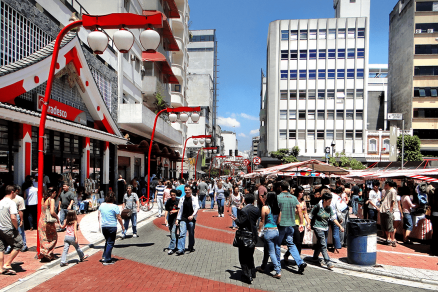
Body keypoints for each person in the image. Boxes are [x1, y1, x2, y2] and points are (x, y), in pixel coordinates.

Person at [276, 180, 307, 273]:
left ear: (280, 187)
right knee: (291, 244)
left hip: (281, 224)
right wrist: (301, 223)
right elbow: (300, 210)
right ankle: (300, 262)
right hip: (291, 224)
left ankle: (277, 266)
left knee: (277, 245)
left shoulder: (278, 197)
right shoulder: (293, 198)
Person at [308, 191, 344, 269]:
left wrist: (340, 226)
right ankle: (328, 261)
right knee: (323, 244)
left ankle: (314, 257)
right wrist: (308, 224)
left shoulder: (329, 208)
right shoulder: (317, 206)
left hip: (325, 228)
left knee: (320, 243)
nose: (330, 202)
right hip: (317, 227)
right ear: (325, 200)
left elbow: (333, 218)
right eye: (329, 201)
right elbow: (310, 216)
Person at [231, 194, 260, 284]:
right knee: (250, 255)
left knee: (243, 257)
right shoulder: (256, 209)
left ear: (245, 201)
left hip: (245, 236)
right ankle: (252, 272)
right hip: (254, 235)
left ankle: (246, 275)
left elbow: (241, 222)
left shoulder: (244, 210)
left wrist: (235, 219)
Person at [256, 193, 281, 278]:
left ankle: (278, 271)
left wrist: (259, 230)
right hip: (276, 230)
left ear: (268, 198)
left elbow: (262, 221)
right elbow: (278, 221)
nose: (264, 197)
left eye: (265, 196)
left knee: (271, 252)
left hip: (268, 231)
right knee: (267, 250)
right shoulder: (278, 209)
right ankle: (263, 267)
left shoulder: (265, 208)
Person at [0, 185, 24, 275]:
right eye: (16, 193)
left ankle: (0, 268)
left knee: (1, 248)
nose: (16, 195)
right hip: (9, 228)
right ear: (12, 192)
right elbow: (13, 217)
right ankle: (7, 263)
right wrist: (16, 227)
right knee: (19, 244)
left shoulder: (1, 202)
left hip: (0, 228)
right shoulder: (11, 203)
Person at [98, 192, 125, 265]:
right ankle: (107, 259)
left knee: (107, 241)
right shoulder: (115, 206)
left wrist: (99, 224)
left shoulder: (102, 205)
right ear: (113, 198)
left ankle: (104, 256)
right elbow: (119, 217)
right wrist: (122, 226)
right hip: (112, 226)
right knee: (110, 242)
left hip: (104, 226)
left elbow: (99, 215)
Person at [175, 185, 199, 255]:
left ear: (191, 190)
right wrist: (177, 219)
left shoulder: (194, 198)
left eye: (188, 190)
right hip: (183, 218)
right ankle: (181, 249)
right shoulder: (182, 199)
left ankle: (191, 247)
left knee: (191, 233)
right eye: (186, 190)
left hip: (191, 218)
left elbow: (197, 208)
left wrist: (192, 215)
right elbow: (179, 209)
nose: (187, 191)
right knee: (182, 233)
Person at [38, 187, 60, 262]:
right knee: (53, 237)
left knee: (43, 237)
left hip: (41, 220)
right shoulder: (51, 200)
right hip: (48, 221)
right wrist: (57, 217)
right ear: (53, 192)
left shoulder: (43, 199)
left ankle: (44, 252)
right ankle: (47, 252)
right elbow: (52, 212)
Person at [379, 180, 397, 246]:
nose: (384, 185)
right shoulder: (386, 191)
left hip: (388, 210)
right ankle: (388, 238)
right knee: (384, 225)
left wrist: (391, 209)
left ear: (388, 184)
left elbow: (393, 201)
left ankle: (392, 239)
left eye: (385, 184)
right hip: (383, 210)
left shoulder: (393, 191)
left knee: (390, 226)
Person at [165, 189, 180, 255]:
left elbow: (180, 210)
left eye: (174, 195)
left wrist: (175, 211)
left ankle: (171, 248)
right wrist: (165, 219)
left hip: (176, 219)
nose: (172, 196)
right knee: (172, 232)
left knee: (173, 232)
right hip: (170, 219)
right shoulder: (168, 201)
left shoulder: (178, 201)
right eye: (171, 195)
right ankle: (177, 245)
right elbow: (166, 210)